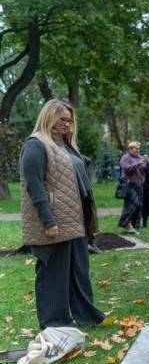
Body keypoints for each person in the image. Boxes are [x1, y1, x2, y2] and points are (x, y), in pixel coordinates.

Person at [20, 99, 105, 329]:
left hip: (75, 220)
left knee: (80, 272)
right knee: (53, 276)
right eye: (62, 119)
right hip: (54, 221)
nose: (66, 124)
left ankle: (87, 317)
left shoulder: (66, 145)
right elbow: (34, 185)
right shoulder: (36, 145)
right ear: (49, 116)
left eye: (69, 120)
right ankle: (55, 323)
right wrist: (48, 220)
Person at [118, 141, 149, 234]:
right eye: (136, 148)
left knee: (139, 206)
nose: (138, 150)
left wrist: (148, 163)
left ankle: (135, 227)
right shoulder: (125, 158)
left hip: (140, 184)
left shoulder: (140, 158)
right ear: (130, 149)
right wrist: (139, 163)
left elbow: (148, 170)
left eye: (139, 148)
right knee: (133, 204)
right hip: (129, 184)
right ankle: (125, 223)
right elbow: (126, 169)